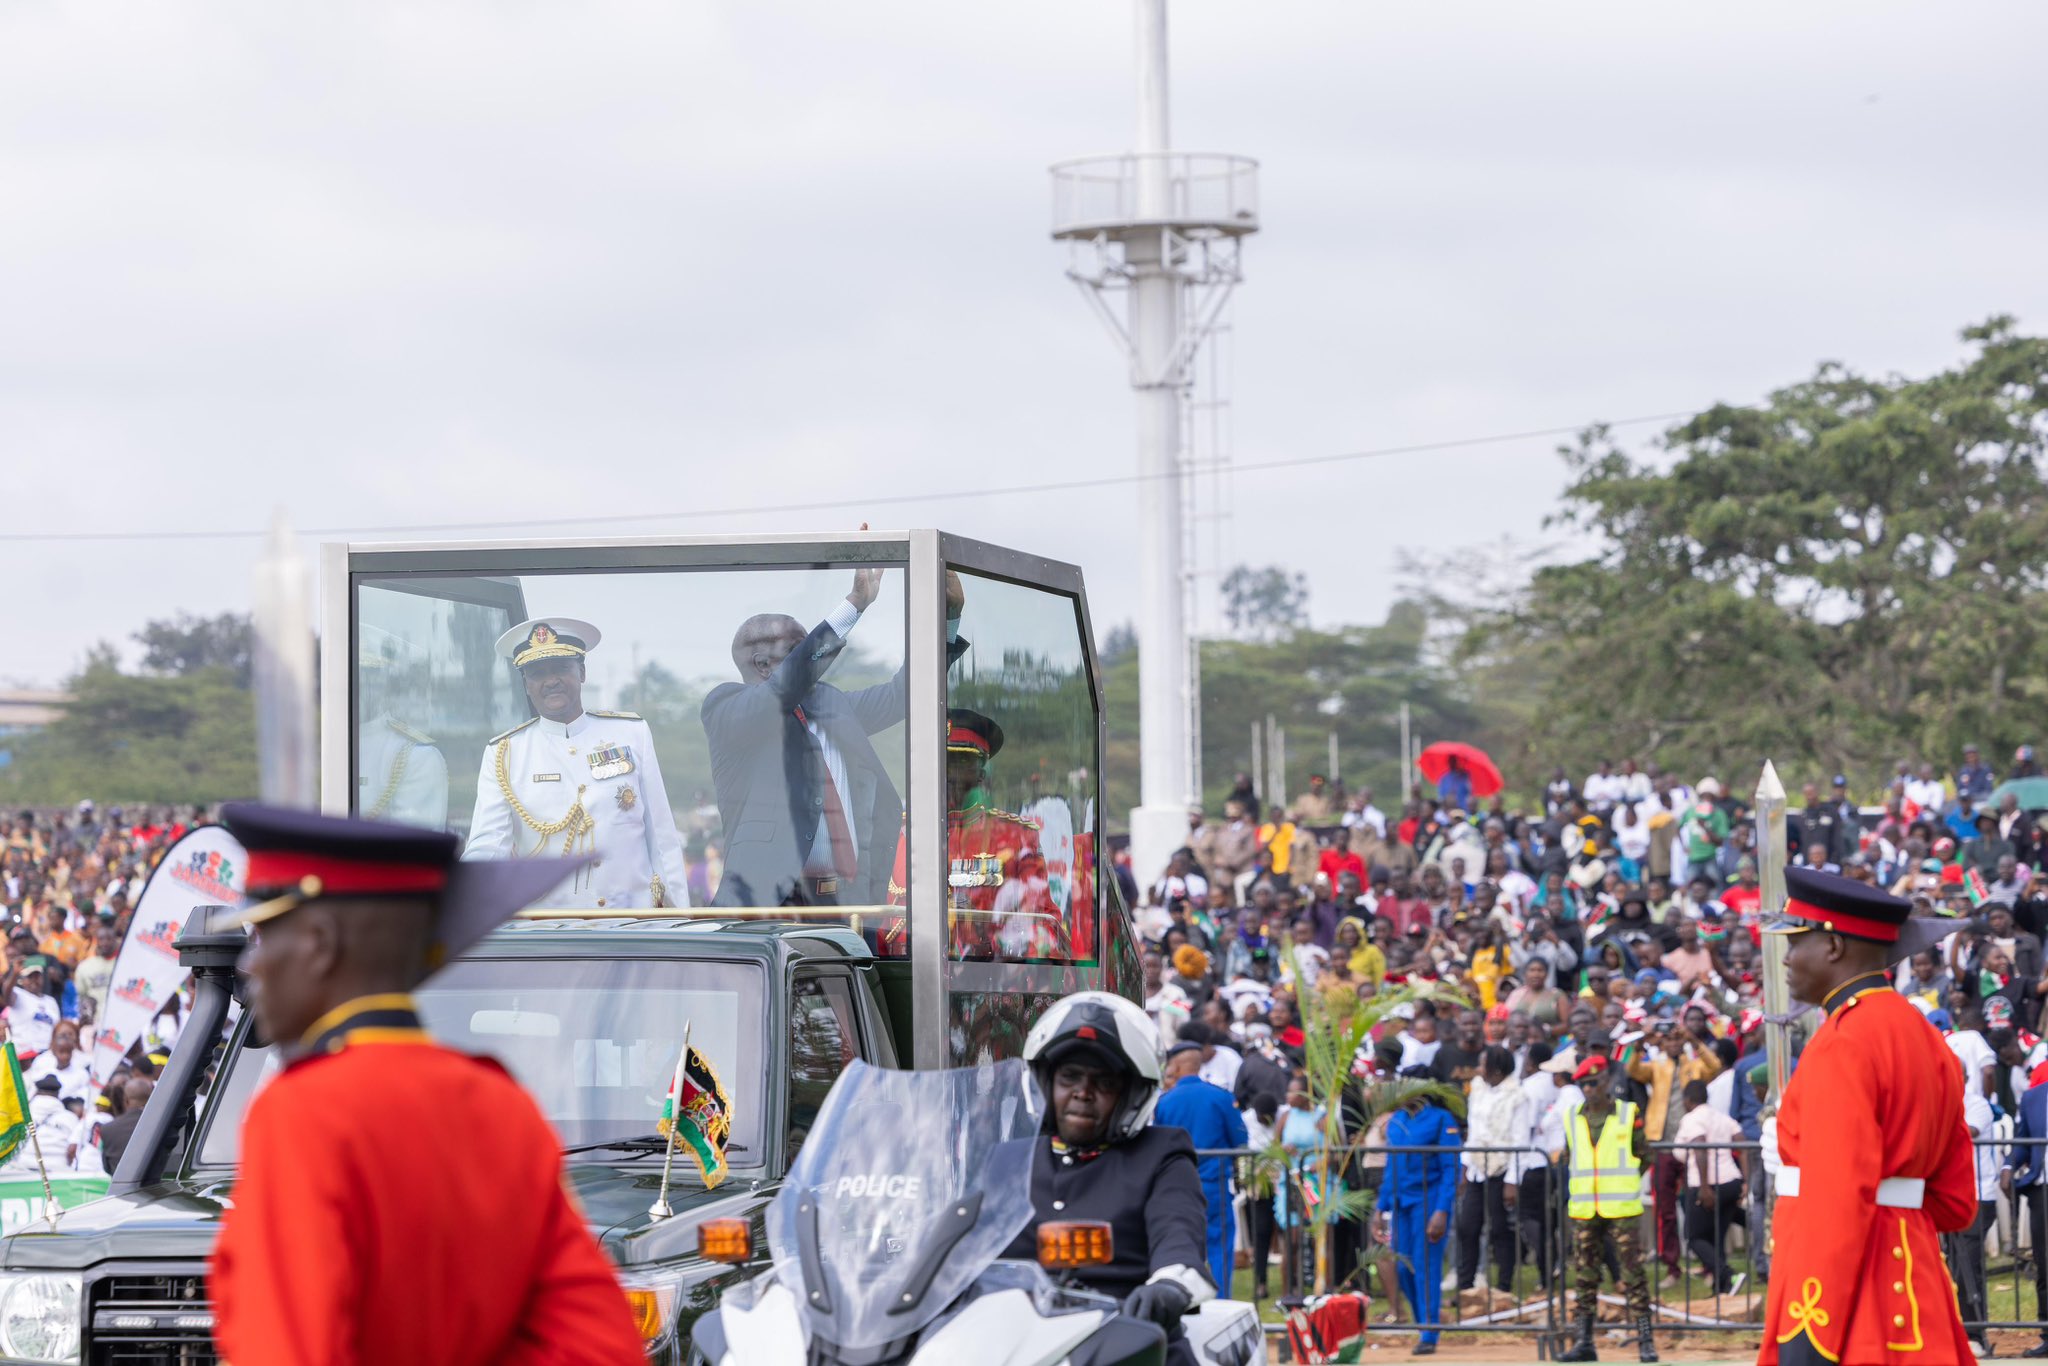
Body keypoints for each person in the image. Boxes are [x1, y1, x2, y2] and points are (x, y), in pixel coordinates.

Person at [209, 802, 647, 1366]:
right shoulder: (501, 1106)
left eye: (265, 936)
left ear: (319, 943)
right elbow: (600, 1350)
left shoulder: (303, 1111)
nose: (251, 965)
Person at [1757, 866, 1978, 1366]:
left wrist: (1810, 1328)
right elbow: (1955, 1202)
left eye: (1796, 942)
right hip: (1915, 1271)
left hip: (1852, 1296)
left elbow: (1838, 1192)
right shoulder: (1928, 1039)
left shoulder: (1843, 1041)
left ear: (1834, 947)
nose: (1787, 960)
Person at [702, 567, 962, 909]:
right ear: (762, 664)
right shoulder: (728, 708)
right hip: (769, 905)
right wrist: (854, 605)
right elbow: (781, 691)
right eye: (799, 651)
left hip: (844, 902)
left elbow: (903, 696)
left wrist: (947, 618)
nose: (816, 660)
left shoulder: (830, 704)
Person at [1006, 991, 1213, 1366]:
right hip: (1013, 1345)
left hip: (1131, 1342)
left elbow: (1179, 1232)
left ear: (1130, 1095)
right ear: (1045, 1083)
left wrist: (1168, 1286)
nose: (1083, 1093)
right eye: (1069, 1077)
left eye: (1103, 1083)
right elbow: (951, 1239)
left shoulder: (1161, 1154)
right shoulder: (1007, 1159)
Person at [464, 617, 691, 910]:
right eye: (537, 673)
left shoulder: (631, 733)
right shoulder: (505, 753)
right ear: (526, 684)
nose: (551, 681)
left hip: (634, 927)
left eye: (560, 668)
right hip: (553, 933)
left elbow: (661, 838)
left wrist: (681, 921)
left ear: (582, 672)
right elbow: (489, 846)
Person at [1556, 1055, 1657, 1363]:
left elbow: (1644, 1155)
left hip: (1621, 1208)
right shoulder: (1572, 1116)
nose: (1590, 1089)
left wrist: (1625, 1184)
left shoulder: (1627, 1113)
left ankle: (1645, 1342)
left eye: (1594, 1083)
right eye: (1584, 1084)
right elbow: (1571, 1156)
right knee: (1585, 1277)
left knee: (1633, 1275)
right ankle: (1584, 1342)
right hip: (1587, 1209)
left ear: (1606, 1082)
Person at [1154, 1039, 1250, 1298]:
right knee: (1220, 1246)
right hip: (1214, 1182)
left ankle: (1190, 1300)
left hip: (1178, 1186)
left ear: (1176, 1064)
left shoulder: (1164, 1102)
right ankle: (1221, 1300)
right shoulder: (1220, 1097)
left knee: (1185, 1245)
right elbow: (1241, 1141)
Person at [1377, 1066, 1461, 1355]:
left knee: (1426, 1268)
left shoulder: (1441, 1120)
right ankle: (1422, 1323)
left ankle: (1429, 1332)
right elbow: (1391, 1166)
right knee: (1402, 1268)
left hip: (1429, 1200)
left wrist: (1442, 1210)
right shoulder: (1397, 1120)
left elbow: (1451, 1169)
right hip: (1401, 1202)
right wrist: (1380, 1206)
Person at [1456, 1045, 1529, 1296]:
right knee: (1468, 1226)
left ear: (1496, 1069)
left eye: (1482, 1063)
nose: (1478, 1069)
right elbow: (1473, 1132)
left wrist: (1512, 1181)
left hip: (1503, 1168)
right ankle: (1466, 1286)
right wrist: (1464, 1167)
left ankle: (1504, 1286)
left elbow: (1520, 1140)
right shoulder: (1477, 1089)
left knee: (1500, 1229)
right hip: (1477, 1166)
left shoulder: (1517, 1096)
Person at [1671, 1079, 1746, 1296]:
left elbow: (1700, 1147)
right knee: (1716, 1238)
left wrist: (1704, 1188)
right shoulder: (1721, 1117)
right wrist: (1745, 1181)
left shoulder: (1692, 1119)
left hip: (1707, 1184)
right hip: (1731, 1180)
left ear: (1687, 1101)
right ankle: (1721, 1289)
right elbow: (1742, 1143)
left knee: (1694, 1237)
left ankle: (1728, 1275)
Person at [2001, 1073, 2048, 1359]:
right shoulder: (2033, 1098)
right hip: (2043, 1190)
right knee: (2045, 1264)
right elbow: (2021, 1142)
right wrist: (2008, 1166)